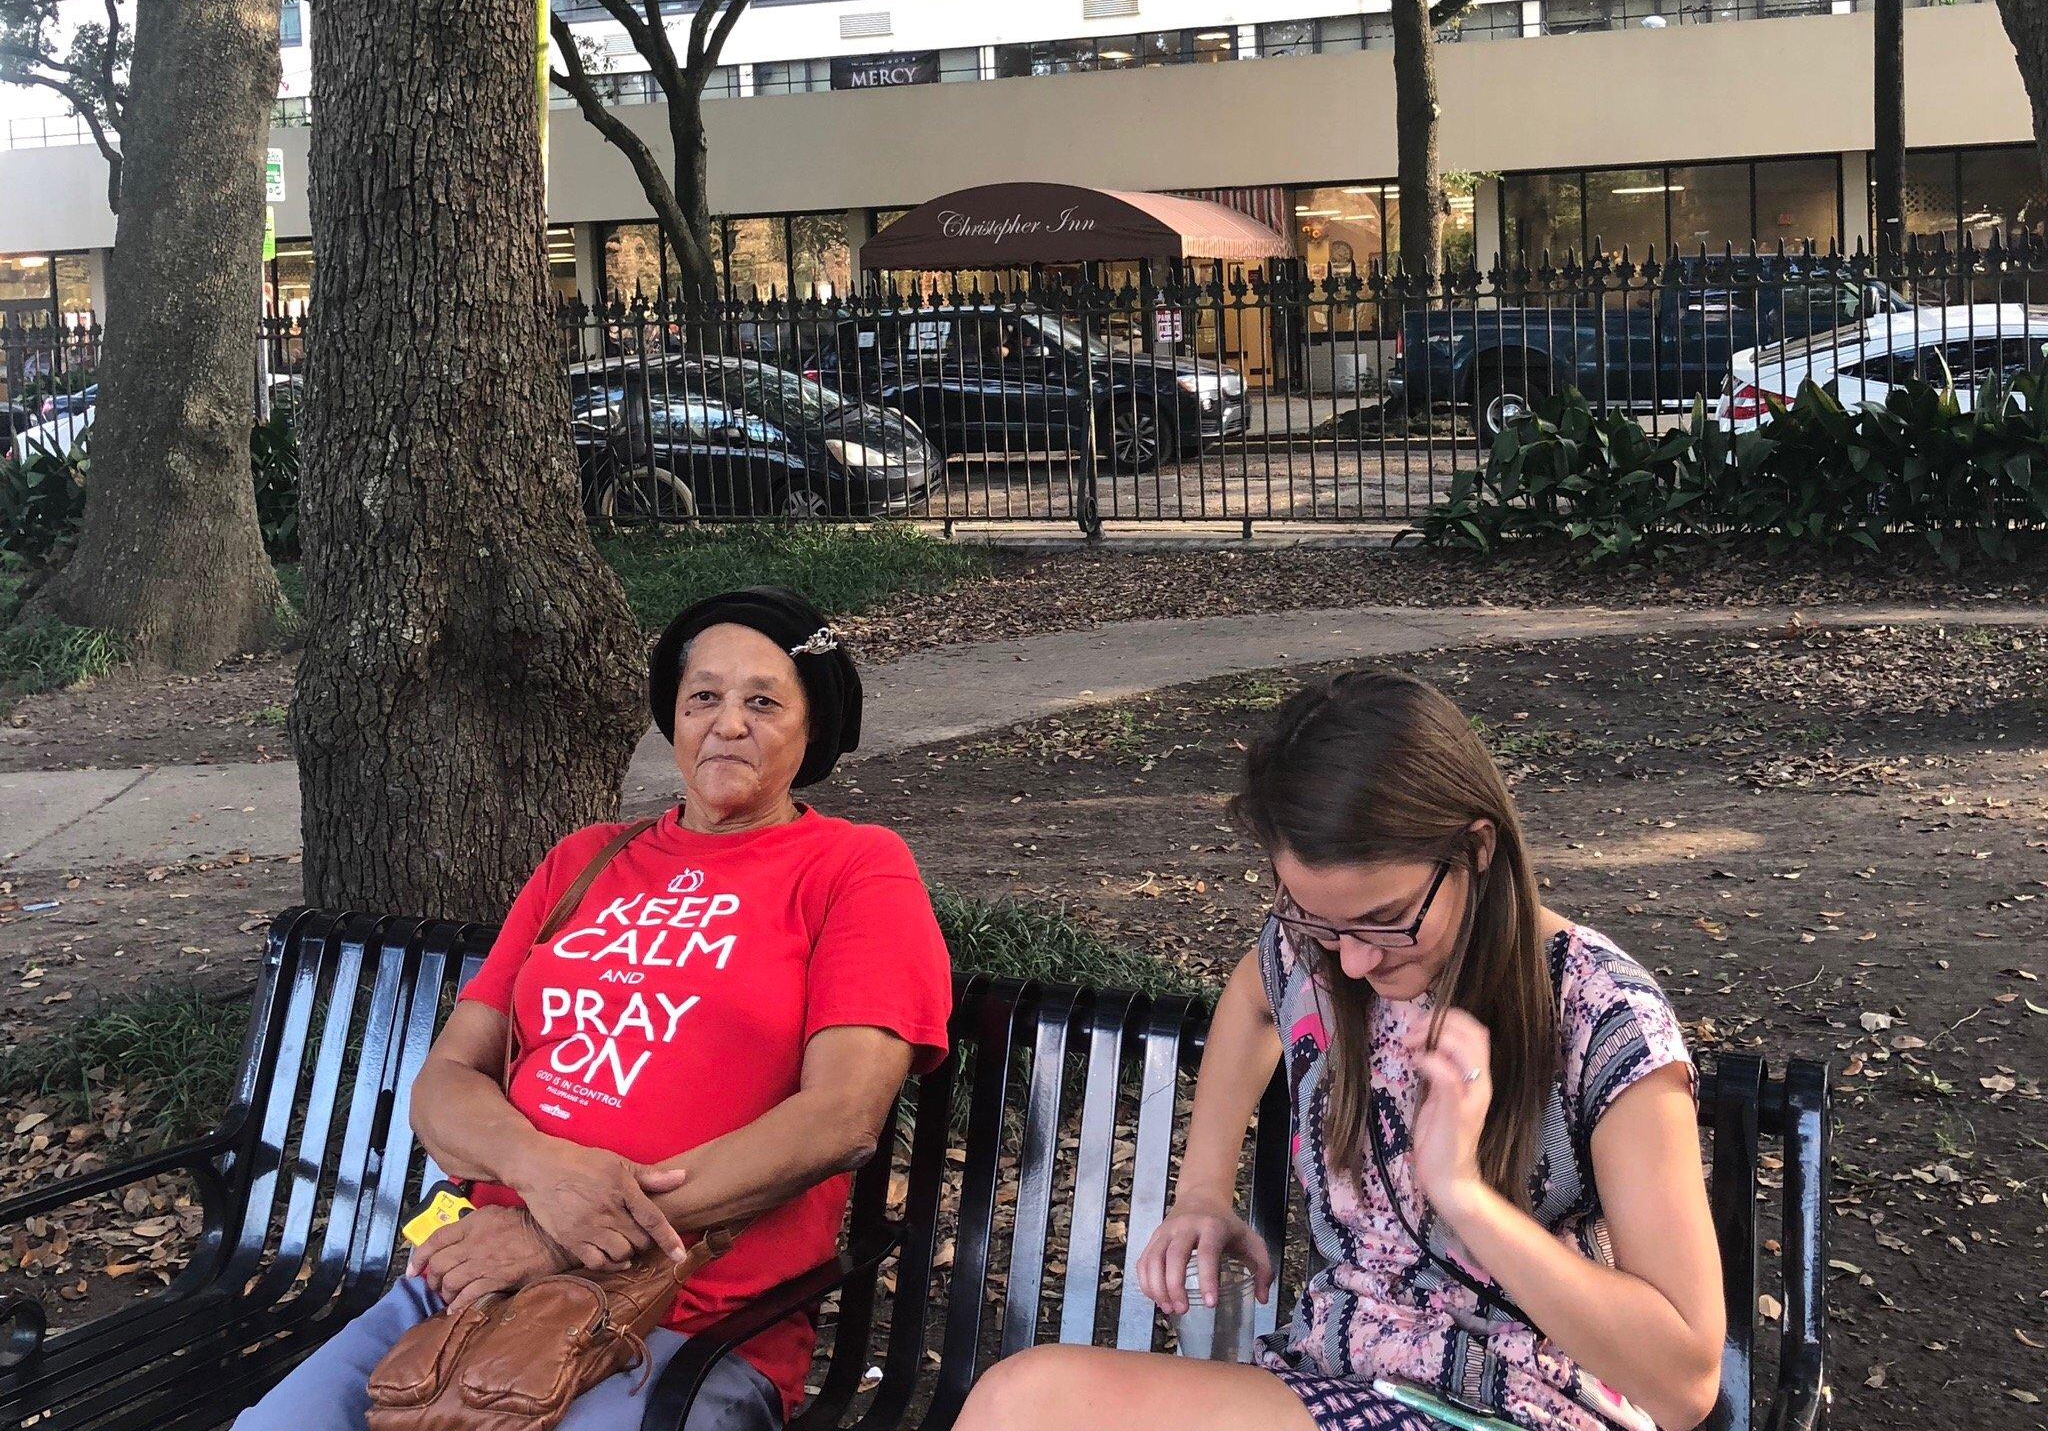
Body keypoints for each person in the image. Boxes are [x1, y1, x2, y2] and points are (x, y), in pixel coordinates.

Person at [234, 586, 953, 1431]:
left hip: (689, 1325)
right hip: (474, 1287)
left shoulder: (853, 868)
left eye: (763, 701)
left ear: (815, 727)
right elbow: (446, 1081)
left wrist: (558, 1234)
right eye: (703, 699)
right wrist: (539, 1177)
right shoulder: (586, 859)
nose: (728, 723)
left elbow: (840, 1119)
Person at [959, 669, 1724, 1431]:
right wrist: (1201, 1189)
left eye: (1384, 920)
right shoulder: (1315, 954)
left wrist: (1466, 1197)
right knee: (1019, 1403)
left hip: (1526, 1406)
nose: (1352, 961)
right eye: (1319, 921)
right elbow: (1257, 998)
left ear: (1477, 849)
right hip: (1334, 1381)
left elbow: (1685, 1384)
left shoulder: (1601, 1015)